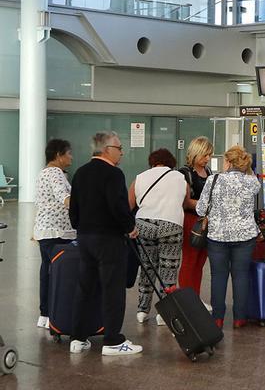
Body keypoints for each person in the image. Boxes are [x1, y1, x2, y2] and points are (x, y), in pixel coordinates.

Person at [68, 131, 142, 356]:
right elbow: (118, 206)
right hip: (109, 239)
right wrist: (130, 227)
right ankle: (112, 340)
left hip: (85, 237)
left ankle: (78, 338)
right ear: (107, 150)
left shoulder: (80, 173)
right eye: (119, 148)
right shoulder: (114, 174)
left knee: (85, 287)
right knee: (112, 288)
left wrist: (82, 227)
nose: (121, 153)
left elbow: (74, 209)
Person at [198, 146, 261, 329]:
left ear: (228, 162)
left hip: (217, 236)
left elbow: (201, 209)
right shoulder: (252, 182)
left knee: (218, 276)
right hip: (245, 235)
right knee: (240, 276)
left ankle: (217, 318)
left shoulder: (213, 179)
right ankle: (239, 318)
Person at [129, 148, 187, 326]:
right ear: (171, 163)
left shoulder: (140, 177)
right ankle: (165, 314)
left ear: (152, 162)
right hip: (171, 225)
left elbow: (129, 204)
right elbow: (185, 200)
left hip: (144, 226)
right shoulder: (180, 178)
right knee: (168, 271)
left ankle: (142, 310)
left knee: (147, 268)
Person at [34, 139, 74, 330]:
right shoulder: (56, 173)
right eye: (68, 153)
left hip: (45, 230)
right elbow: (64, 197)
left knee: (47, 272)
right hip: (57, 232)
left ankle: (45, 314)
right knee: (58, 274)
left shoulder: (43, 173)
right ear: (58, 155)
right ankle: (53, 315)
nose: (71, 157)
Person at [178, 136, 213, 300]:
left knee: (200, 262)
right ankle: (186, 298)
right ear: (195, 154)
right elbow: (185, 202)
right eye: (204, 155)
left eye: (209, 155)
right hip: (191, 220)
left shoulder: (209, 172)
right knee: (189, 261)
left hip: (206, 221)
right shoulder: (184, 173)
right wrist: (203, 204)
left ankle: (195, 298)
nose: (208, 159)